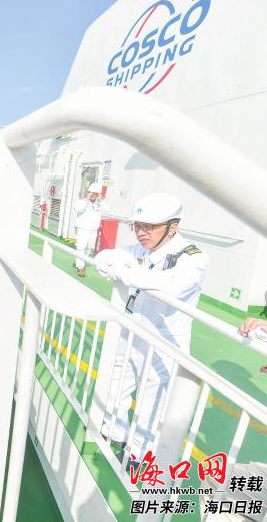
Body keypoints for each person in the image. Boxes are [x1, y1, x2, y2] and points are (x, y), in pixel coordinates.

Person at [94, 193, 208, 461]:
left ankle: (138, 455)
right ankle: (114, 433)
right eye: (137, 226)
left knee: (152, 399)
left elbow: (172, 285)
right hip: (133, 329)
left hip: (164, 341)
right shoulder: (140, 249)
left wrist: (124, 272)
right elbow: (106, 257)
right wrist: (112, 262)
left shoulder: (193, 257)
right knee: (116, 385)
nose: (141, 233)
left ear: (172, 227)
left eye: (149, 226)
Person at [73, 182, 107, 277]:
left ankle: (78, 261)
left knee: (89, 249)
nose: (94, 195)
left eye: (96, 194)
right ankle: (81, 267)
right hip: (82, 230)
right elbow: (78, 208)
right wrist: (87, 199)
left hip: (93, 230)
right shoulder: (82, 202)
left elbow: (108, 209)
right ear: (88, 192)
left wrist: (101, 200)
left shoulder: (99, 204)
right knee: (81, 248)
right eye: (92, 193)